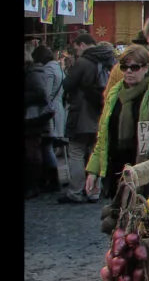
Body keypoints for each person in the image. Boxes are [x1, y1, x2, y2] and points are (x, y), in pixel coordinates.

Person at [84, 45, 149, 201]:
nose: (128, 71)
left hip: (142, 165)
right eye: (124, 67)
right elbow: (104, 134)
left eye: (134, 67)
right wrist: (94, 170)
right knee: (116, 214)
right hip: (116, 163)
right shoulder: (115, 93)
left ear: (145, 68)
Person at [60, 33, 117, 204]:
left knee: (76, 152)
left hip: (82, 113)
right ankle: (93, 191)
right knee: (95, 151)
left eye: (77, 46)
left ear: (83, 44)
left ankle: (76, 191)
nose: (76, 50)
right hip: (100, 111)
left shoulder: (84, 62)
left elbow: (68, 84)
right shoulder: (107, 61)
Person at [25, 46, 66, 199]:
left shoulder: (46, 71)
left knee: (45, 146)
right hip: (55, 109)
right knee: (46, 146)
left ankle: (50, 180)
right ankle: (50, 179)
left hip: (46, 111)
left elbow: (45, 93)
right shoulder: (56, 68)